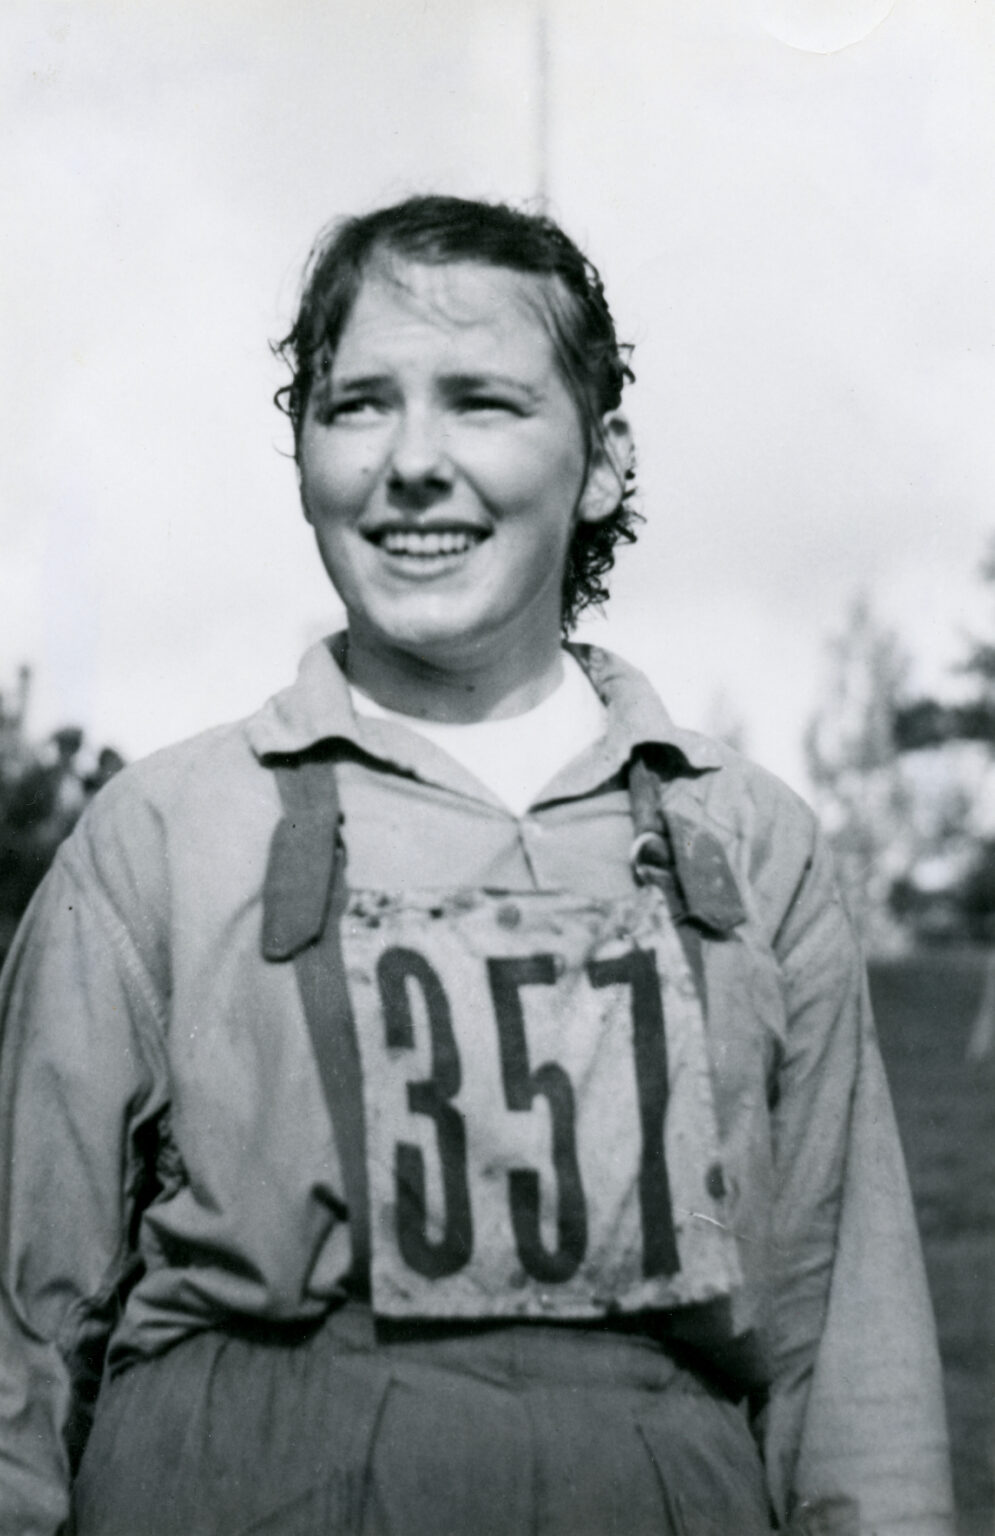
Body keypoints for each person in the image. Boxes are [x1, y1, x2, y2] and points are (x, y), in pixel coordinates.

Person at [0, 195, 953, 1536]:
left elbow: (846, 1363)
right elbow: (21, 1342)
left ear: (603, 460)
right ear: (302, 455)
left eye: (483, 403)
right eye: (357, 406)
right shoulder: (165, 834)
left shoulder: (748, 842)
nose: (411, 463)